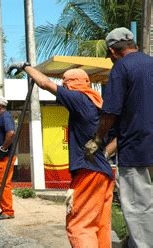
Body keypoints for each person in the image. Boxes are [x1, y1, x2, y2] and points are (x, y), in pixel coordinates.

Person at [7, 64, 114, 246]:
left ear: (69, 85)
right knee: (100, 226)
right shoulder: (99, 106)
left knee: (79, 225)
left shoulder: (79, 98)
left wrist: (25, 67)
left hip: (87, 173)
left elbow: (45, 83)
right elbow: (117, 136)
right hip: (104, 174)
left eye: (65, 85)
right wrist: (103, 152)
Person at [84, 27, 153, 247]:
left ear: (113, 52)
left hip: (137, 151)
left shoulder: (121, 68)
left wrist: (97, 139)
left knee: (138, 208)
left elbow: (111, 112)